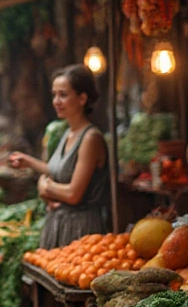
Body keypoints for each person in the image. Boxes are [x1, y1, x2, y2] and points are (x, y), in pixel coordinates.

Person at [8, 65, 111, 249]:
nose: (56, 101)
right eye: (54, 95)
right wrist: (28, 162)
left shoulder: (90, 138)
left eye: (63, 95)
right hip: (60, 223)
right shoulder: (68, 133)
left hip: (81, 229)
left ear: (82, 98)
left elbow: (73, 194)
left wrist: (46, 186)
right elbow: (58, 170)